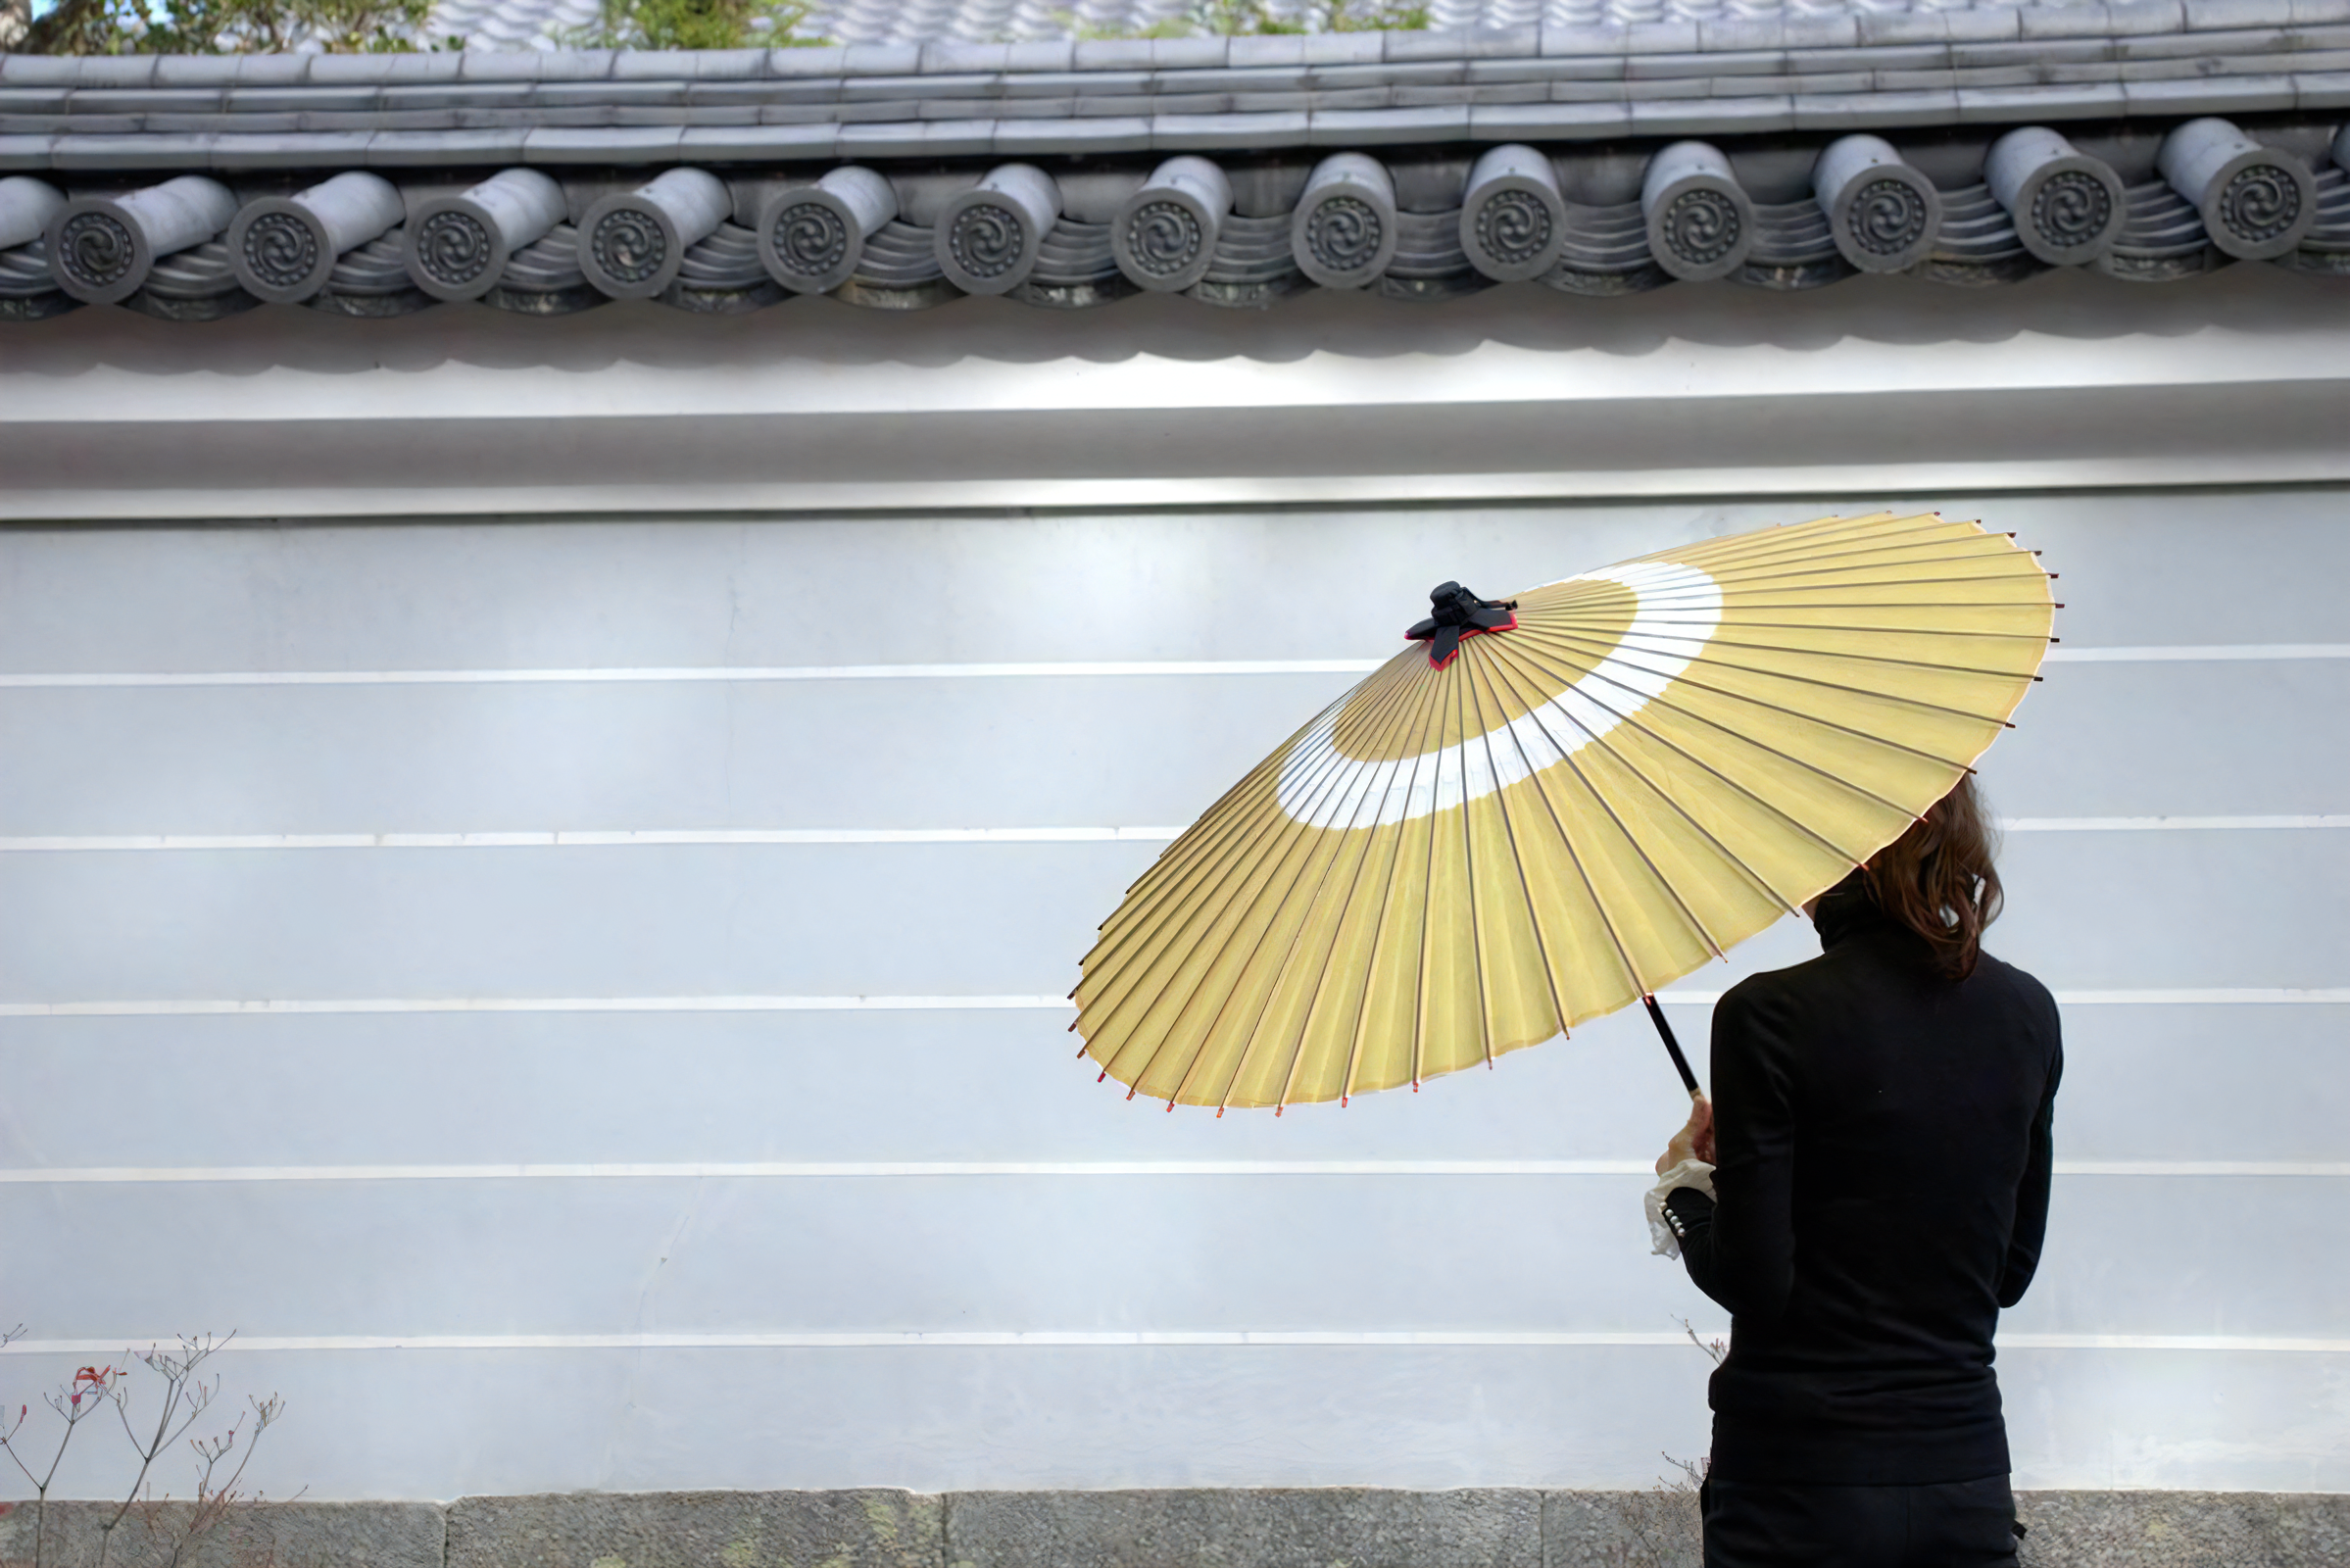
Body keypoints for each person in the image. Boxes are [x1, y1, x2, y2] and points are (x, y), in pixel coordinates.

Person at [1646, 776, 2062, 1568]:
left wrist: (1686, 1191)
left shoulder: (1767, 1014)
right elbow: (2009, 1271)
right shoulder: (2028, 1011)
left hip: (1793, 1490)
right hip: (1961, 1479)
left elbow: (1756, 1282)